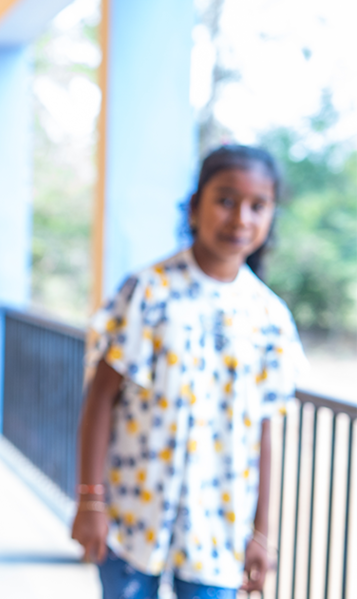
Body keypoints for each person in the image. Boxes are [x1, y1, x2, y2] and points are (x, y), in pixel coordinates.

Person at [72, 145, 306, 598]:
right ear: (196, 206)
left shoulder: (270, 317)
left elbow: (265, 431)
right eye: (225, 200)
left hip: (219, 529)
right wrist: (89, 500)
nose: (240, 218)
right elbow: (101, 398)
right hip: (132, 516)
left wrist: (262, 533)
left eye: (258, 206)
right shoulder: (148, 290)